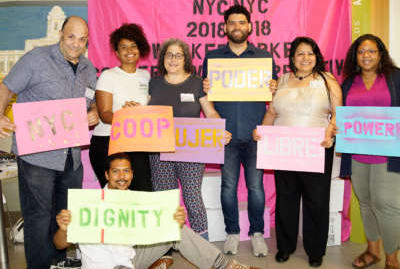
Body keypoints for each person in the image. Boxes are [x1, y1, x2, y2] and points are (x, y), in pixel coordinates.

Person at [0, 16, 99, 269]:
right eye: (71, 36)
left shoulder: (89, 68)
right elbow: (6, 88)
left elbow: (92, 100)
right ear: (60, 33)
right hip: (37, 157)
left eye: (82, 39)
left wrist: (95, 111)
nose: (76, 44)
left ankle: (58, 262)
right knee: (38, 218)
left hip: (71, 156)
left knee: (64, 217)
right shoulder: (37, 59)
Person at [53, 152, 259, 269]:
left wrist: (174, 221)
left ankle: (225, 266)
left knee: (176, 231)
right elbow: (59, 243)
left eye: (126, 171)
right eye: (116, 171)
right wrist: (63, 228)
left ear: (132, 175)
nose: (122, 176)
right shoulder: (89, 204)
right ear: (106, 175)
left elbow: (157, 229)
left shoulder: (137, 202)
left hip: (132, 260)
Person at [254, 36, 342, 267]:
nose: (305, 58)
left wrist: (330, 132)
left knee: (317, 201)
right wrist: (262, 131)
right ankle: (285, 246)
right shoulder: (282, 80)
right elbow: (272, 112)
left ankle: (315, 250)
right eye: (300, 53)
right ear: (292, 58)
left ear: (317, 57)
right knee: (286, 199)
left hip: (317, 149)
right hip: (285, 149)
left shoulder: (327, 80)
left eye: (310, 53)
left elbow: (338, 113)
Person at [202, 4, 277, 257]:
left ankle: (257, 233)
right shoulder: (212, 58)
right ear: (225, 27)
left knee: (256, 188)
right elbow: (205, 97)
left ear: (249, 26)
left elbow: (274, 98)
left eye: (241, 22)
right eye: (232, 23)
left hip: (256, 135)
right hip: (226, 136)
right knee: (228, 187)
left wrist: (274, 86)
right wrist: (206, 86)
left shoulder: (264, 58)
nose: (237, 27)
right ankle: (232, 232)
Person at [148, 38, 231, 240]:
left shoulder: (196, 82)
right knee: (165, 200)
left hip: (191, 152)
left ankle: (202, 244)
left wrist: (219, 129)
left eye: (178, 55)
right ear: (163, 59)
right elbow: (146, 114)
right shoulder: (155, 83)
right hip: (160, 152)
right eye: (169, 54)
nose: (174, 59)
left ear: (186, 59)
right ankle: (166, 245)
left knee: (192, 198)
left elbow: (210, 113)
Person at [340, 34, 400, 269]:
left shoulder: (395, 77)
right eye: (361, 51)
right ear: (355, 56)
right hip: (357, 153)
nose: (366, 55)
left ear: (380, 54)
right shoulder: (348, 83)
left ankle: (392, 257)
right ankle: (372, 250)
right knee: (365, 202)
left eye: (371, 51)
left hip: (388, 154)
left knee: (387, 204)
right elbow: (342, 113)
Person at [89, 23, 152, 191]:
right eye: (123, 47)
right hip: (107, 142)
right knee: (113, 198)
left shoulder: (146, 76)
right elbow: (104, 114)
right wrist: (126, 115)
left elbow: (149, 112)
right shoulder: (108, 76)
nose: (129, 51)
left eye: (133, 46)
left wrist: (140, 112)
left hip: (136, 142)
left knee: (143, 193)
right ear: (117, 52)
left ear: (140, 49)